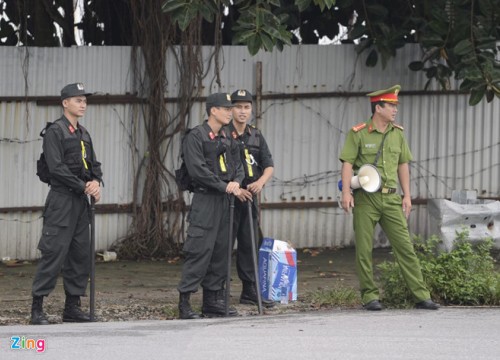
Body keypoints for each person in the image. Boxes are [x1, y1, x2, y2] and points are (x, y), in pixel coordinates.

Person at [339, 85, 439, 311]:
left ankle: (421, 296)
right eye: (391, 106)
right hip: (366, 199)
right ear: (378, 108)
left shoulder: (398, 133)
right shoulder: (359, 133)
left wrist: (407, 195)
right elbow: (347, 163)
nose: (395, 110)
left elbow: (403, 164)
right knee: (364, 250)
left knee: (405, 247)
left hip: (392, 199)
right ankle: (369, 296)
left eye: (395, 106)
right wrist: (346, 192)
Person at [31, 83, 103, 325]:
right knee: (53, 253)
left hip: (81, 204)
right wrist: (83, 186)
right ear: (65, 103)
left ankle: (72, 307)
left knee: (80, 254)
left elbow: (94, 164)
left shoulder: (84, 133)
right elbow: (56, 168)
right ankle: (37, 309)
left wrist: (95, 182)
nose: (83, 104)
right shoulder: (55, 132)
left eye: (84, 100)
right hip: (62, 201)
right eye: (77, 100)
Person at [177, 92, 244, 319]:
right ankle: (185, 302)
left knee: (222, 249)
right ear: (213, 110)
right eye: (226, 108)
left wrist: (236, 182)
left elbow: (239, 165)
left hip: (226, 200)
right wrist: (224, 186)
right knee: (199, 249)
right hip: (206, 199)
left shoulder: (227, 136)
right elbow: (197, 170)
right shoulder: (196, 136)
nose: (230, 112)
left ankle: (213, 301)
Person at [227, 89, 275, 308]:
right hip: (228, 197)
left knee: (250, 243)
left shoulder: (256, 135)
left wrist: (260, 182)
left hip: (250, 197)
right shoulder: (223, 133)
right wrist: (236, 188)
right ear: (231, 109)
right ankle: (218, 290)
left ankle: (250, 290)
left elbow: (268, 165)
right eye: (238, 107)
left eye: (246, 107)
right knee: (224, 244)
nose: (243, 111)